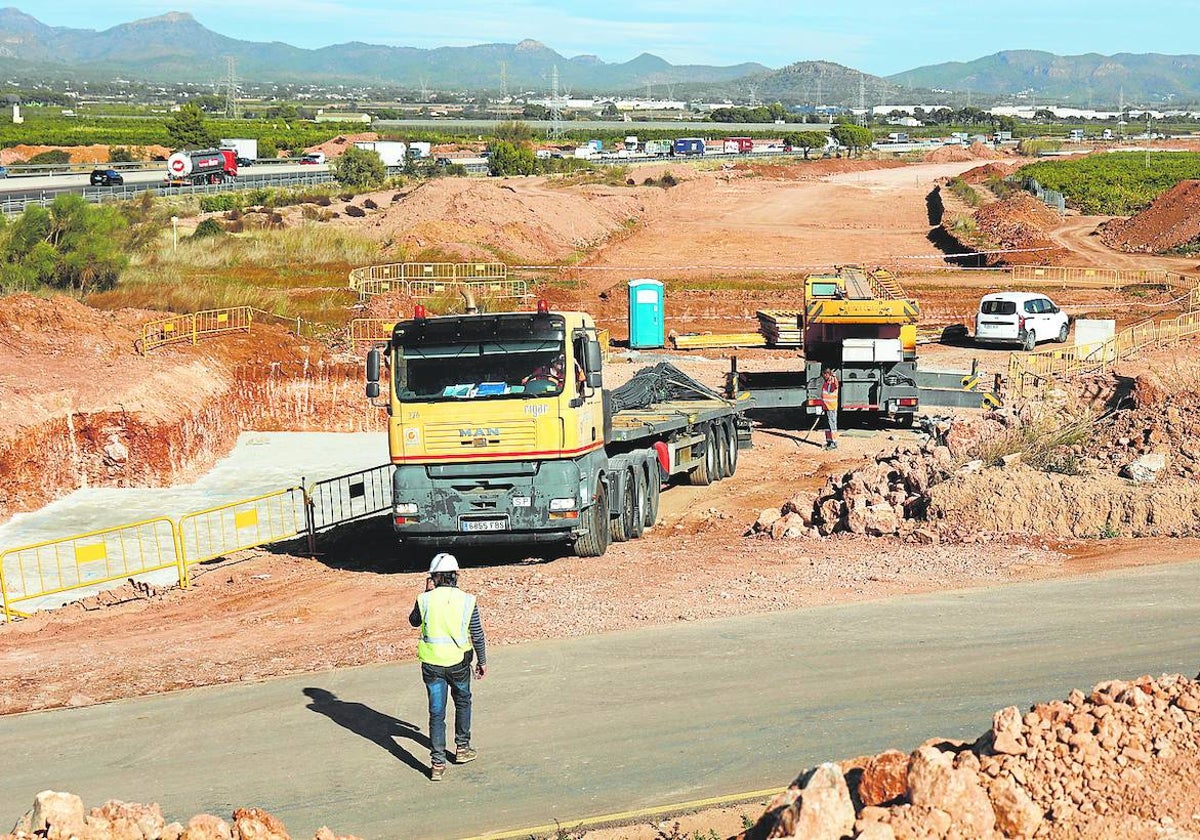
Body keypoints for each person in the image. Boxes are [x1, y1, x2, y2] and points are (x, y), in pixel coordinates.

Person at [409, 552, 487, 781]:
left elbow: (414, 621)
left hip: (432, 666)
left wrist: (425, 592)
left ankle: (437, 764)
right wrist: (482, 661)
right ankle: (462, 748)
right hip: (460, 664)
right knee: (463, 702)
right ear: (456, 576)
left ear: (433, 577)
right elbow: (477, 634)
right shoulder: (467, 600)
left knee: (436, 712)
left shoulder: (424, 600)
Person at [820, 368, 839, 450]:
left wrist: (834, 377)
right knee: (827, 426)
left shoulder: (833, 382)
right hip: (826, 407)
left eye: (824, 375)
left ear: (827, 374)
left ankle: (834, 443)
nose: (823, 376)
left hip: (831, 407)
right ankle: (829, 441)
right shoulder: (826, 382)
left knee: (832, 425)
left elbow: (836, 385)